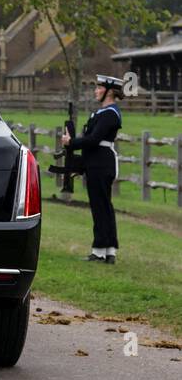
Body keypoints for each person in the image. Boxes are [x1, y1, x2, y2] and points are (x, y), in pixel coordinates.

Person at [61, 75, 125, 264]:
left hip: (101, 163)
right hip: (96, 162)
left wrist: (71, 143)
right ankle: (108, 250)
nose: (96, 91)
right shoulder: (102, 113)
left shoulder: (110, 113)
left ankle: (99, 251)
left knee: (101, 207)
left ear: (109, 91)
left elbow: (94, 139)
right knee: (103, 206)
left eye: (99, 88)